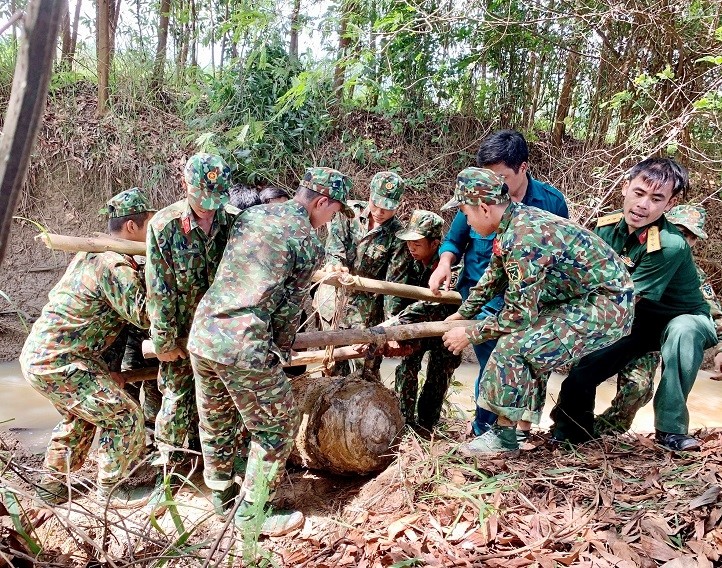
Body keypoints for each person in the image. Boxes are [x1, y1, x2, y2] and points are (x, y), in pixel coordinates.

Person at [187, 167, 353, 537]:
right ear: (322, 202)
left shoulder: (251, 215)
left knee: (216, 417)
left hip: (204, 332)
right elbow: (288, 309)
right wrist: (279, 349)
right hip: (243, 341)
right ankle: (254, 512)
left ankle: (221, 496)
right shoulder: (307, 242)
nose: (332, 219)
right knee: (278, 425)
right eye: (334, 211)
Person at [440, 168, 634, 454]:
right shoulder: (512, 221)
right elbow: (494, 277)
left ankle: (503, 438)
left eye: (465, 213)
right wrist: (463, 313)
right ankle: (517, 432)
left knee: (513, 347)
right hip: (576, 299)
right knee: (522, 344)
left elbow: (519, 316)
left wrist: (470, 333)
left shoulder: (523, 237)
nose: (465, 220)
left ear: (483, 208)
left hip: (605, 304)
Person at [550, 158, 715, 451]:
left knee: (682, 332)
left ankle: (671, 431)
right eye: (639, 193)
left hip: (680, 317)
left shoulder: (669, 244)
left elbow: (622, 300)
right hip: (637, 320)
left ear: (669, 204)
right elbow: (584, 278)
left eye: (656, 199)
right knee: (584, 368)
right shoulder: (605, 227)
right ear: (625, 187)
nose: (643, 205)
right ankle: (573, 430)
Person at [429, 129, 568, 437]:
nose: (493, 185)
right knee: (495, 362)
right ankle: (485, 431)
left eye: (502, 177)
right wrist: (444, 264)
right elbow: (455, 240)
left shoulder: (550, 204)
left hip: (527, 302)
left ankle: (515, 434)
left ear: (523, 168)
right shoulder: (476, 197)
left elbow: (558, 261)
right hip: (482, 298)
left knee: (526, 365)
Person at [21, 188, 156, 505]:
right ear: (133, 228)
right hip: (61, 362)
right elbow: (146, 316)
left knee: (79, 421)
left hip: (49, 357)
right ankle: (113, 489)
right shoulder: (113, 265)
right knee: (123, 416)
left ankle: (50, 490)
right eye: (150, 225)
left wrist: (110, 371)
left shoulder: (90, 253)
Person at [594, 204, 722, 445]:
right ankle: (594, 429)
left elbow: (712, 312)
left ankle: (662, 430)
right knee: (636, 387)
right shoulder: (636, 254)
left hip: (668, 335)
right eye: (677, 231)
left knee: (640, 387)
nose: (682, 239)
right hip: (630, 331)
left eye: (689, 236)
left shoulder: (694, 275)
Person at [146, 152, 237, 467]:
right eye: (202, 199)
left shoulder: (235, 222)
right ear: (184, 184)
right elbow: (159, 287)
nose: (209, 208)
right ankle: (170, 469)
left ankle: (217, 464)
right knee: (176, 395)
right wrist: (164, 340)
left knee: (221, 399)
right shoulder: (165, 226)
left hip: (222, 331)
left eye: (216, 200)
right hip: (183, 329)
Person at [323, 171, 412, 378]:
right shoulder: (348, 214)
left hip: (368, 312)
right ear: (370, 195)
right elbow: (334, 247)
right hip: (336, 303)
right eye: (376, 204)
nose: (380, 212)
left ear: (397, 205)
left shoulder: (397, 235)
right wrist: (336, 264)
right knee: (331, 365)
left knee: (366, 372)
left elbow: (394, 283)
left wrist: (391, 325)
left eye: (387, 208)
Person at [382, 210, 462, 429]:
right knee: (407, 369)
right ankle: (403, 423)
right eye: (409, 242)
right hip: (416, 327)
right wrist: (393, 325)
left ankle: (427, 426)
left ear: (435, 243)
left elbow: (431, 302)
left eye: (417, 243)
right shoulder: (408, 259)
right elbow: (395, 291)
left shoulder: (450, 267)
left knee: (438, 376)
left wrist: (395, 323)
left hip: (444, 330)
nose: (411, 248)